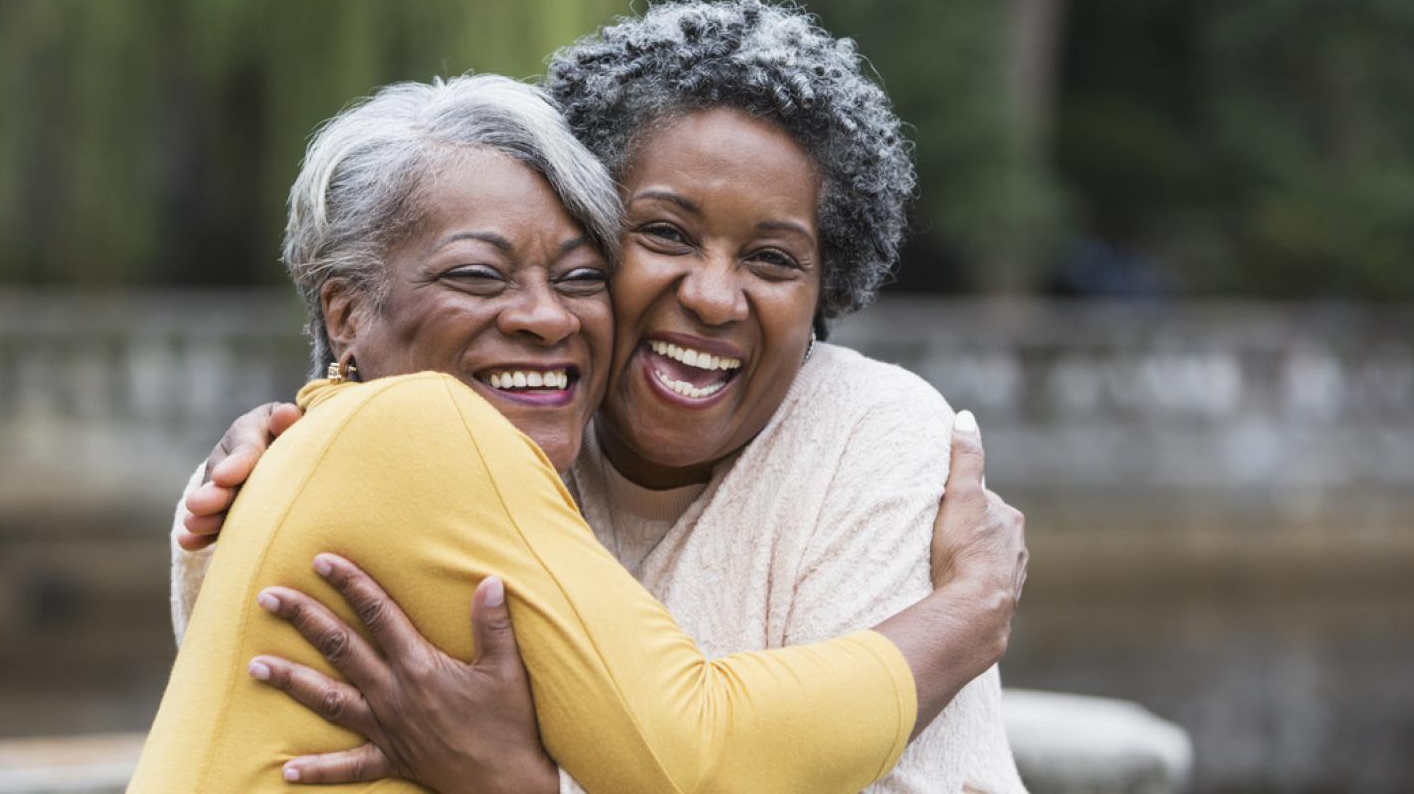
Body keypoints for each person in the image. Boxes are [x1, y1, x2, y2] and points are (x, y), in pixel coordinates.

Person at [134, 72, 1024, 793]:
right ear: (347, 313)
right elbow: (700, 752)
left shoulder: (868, 433)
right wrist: (964, 616)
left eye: (576, 275)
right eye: (480, 274)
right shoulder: (426, 428)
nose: (543, 317)